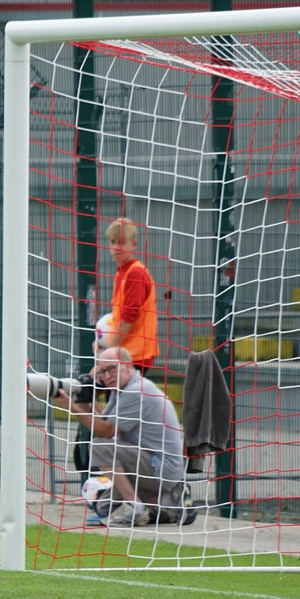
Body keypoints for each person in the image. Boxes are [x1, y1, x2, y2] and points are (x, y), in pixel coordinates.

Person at [54, 346, 186, 527]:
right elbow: (102, 421)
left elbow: (106, 432)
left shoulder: (136, 391)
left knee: (99, 446)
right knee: (105, 507)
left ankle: (136, 506)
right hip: (149, 465)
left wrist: (72, 408)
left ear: (127, 366)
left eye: (112, 369)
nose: (107, 376)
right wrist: (86, 401)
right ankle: (166, 505)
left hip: (161, 468)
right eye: (102, 372)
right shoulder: (121, 390)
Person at [99, 216, 159, 373]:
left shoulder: (136, 273)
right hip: (125, 353)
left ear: (133, 245)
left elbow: (128, 317)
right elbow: (119, 317)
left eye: (121, 242)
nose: (116, 247)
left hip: (134, 355)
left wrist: (108, 352)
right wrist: (102, 341)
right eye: (113, 242)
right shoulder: (122, 271)